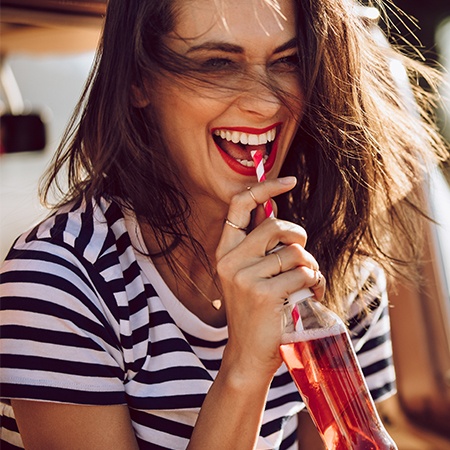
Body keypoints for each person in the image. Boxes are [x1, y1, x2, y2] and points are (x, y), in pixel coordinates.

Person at [0, 0, 447, 448]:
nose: (265, 102)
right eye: (217, 64)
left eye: (287, 61)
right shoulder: (58, 283)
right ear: (138, 81)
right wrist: (245, 365)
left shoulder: (333, 263)